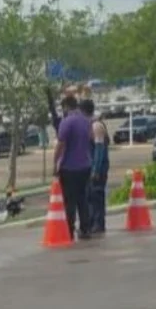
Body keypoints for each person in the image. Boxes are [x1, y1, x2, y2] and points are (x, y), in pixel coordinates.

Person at [53, 95, 93, 240]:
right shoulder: (86, 120)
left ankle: (69, 230)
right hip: (85, 165)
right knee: (82, 198)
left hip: (70, 167)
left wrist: (55, 162)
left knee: (69, 200)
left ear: (66, 107)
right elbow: (90, 137)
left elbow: (60, 145)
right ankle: (85, 228)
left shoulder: (66, 122)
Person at [81, 99, 110, 234]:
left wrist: (95, 169)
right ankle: (92, 222)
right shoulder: (89, 125)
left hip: (98, 168)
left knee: (96, 195)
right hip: (90, 166)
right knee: (90, 196)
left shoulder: (96, 126)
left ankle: (98, 224)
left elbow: (99, 150)